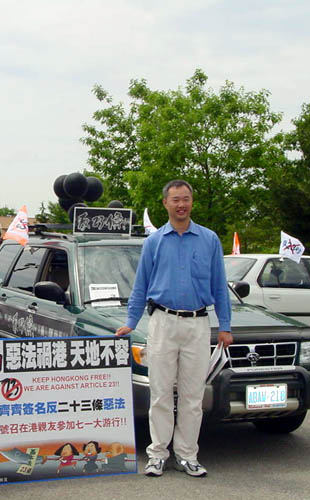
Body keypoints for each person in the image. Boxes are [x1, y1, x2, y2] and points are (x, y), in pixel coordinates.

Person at [116, 179, 232, 478]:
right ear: (165, 203)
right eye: (176, 199)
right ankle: (157, 454)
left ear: (192, 202)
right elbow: (141, 285)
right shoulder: (154, 241)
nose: (181, 204)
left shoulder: (209, 239)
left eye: (186, 199)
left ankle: (187, 455)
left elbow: (220, 286)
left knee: (193, 396)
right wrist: (130, 322)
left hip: (198, 324)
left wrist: (225, 325)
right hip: (162, 323)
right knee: (160, 393)